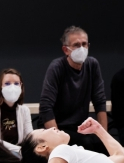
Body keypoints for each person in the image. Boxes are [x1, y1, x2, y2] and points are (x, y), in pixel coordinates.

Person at [38, 25, 108, 154]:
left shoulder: (92, 65)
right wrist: (58, 141)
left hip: (80, 128)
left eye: (84, 44)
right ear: (66, 50)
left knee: (104, 147)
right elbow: (46, 106)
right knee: (86, 145)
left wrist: (104, 135)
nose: (81, 48)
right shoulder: (57, 67)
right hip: (59, 128)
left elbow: (100, 101)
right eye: (76, 45)